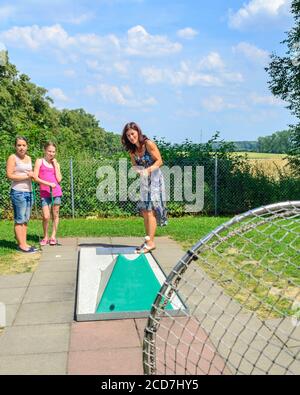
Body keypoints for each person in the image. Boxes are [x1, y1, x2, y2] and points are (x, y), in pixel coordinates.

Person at [121, 122, 167, 254]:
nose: (131, 137)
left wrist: (148, 170)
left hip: (155, 180)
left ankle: (150, 242)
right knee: (145, 211)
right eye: (128, 135)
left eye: (132, 134)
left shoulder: (148, 144)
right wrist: (139, 171)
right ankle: (148, 241)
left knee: (151, 210)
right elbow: (135, 165)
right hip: (144, 181)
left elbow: (159, 161)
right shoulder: (132, 150)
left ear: (138, 132)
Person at [6, 136, 38, 253]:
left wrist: (33, 176)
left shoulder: (29, 158)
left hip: (29, 192)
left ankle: (24, 243)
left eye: (24, 145)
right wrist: (26, 176)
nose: (21, 147)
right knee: (19, 219)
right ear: (15, 146)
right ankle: (21, 245)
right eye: (19, 145)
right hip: (18, 192)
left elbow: (32, 174)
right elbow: (9, 175)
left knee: (25, 219)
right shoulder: (12, 158)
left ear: (27, 146)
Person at [33, 142, 63, 246]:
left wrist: (55, 165)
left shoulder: (56, 164)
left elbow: (59, 179)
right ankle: (45, 236)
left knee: (55, 214)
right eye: (49, 151)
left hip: (56, 192)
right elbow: (35, 177)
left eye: (53, 151)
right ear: (45, 150)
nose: (51, 153)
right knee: (46, 216)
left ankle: (53, 237)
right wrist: (48, 184)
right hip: (45, 193)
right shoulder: (39, 161)